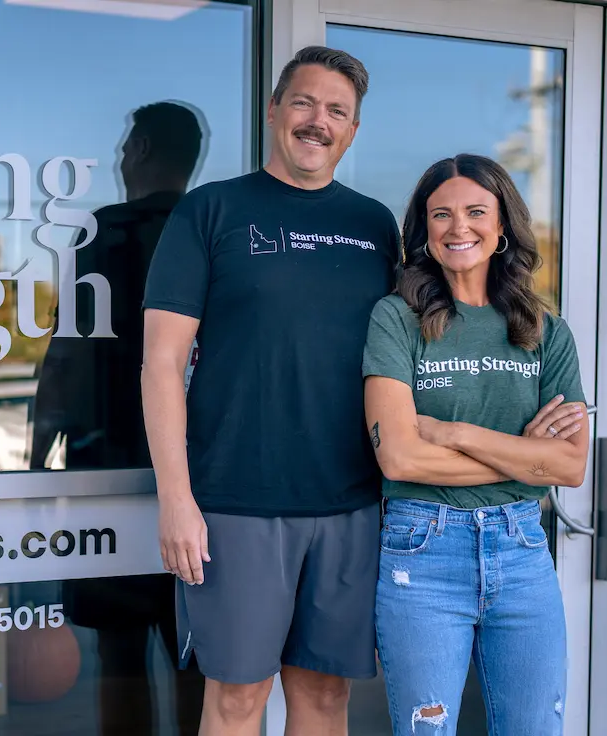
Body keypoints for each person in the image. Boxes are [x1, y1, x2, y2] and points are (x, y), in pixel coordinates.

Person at [140, 46, 401, 736]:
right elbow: (161, 364)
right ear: (273, 111)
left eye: (337, 111)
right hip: (235, 505)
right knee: (235, 701)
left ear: (352, 130)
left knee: (325, 698)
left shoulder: (377, 227)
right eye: (305, 103)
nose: (319, 121)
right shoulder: (211, 211)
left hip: (351, 506)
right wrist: (176, 500)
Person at [362, 153, 589, 735]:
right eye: (441, 214)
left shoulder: (545, 330)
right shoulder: (397, 319)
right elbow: (401, 457)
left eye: (475, 211)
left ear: (502, 226)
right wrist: (522, 459)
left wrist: (457, 435)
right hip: (423, 549)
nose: (458, 227)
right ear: (425, 231)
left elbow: (569, 464)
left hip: (522, 551)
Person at [30, 100, 208, 735]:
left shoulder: (105, 233)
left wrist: (35, 456)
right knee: (195, 656)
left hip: (108, 467)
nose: (118, 156)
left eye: (127, 145)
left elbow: (67, 357)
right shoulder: (210, 230)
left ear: (142, 153)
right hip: (199, 474)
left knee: (120, 655)